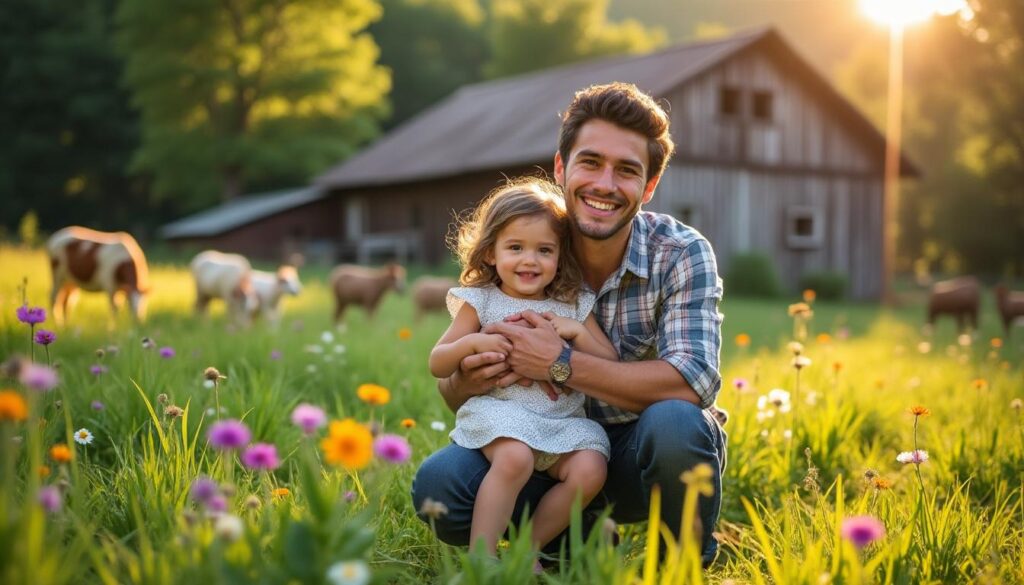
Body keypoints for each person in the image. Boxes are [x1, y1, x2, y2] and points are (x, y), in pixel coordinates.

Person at [412, 82, 727, 567]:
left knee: (675, 421)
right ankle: (564, 543)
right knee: (441, 489)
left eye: (626, 170)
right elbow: (451, 386)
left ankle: (680, 567)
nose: (604, 183)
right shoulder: (526, 248)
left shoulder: (681, 253)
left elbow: (694, 381)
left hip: (631, 454)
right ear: (562, 168)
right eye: (590, 162)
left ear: (648, 187)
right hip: (528, 438)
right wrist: (472, 376)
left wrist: (559, 362)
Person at [428, 178, 618, 563]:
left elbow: (610, 365)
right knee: (515, 458)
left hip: (561, 421)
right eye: (515, 248)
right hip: (500, 414)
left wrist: (578, 333)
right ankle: (482, 556)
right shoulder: (479, 302)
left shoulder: (572, 304)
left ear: (560, 257)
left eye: (544, 250)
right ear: (491, 253)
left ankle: (525, 549)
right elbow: (438, 361)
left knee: (591, 467)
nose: (530, 260)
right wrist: (473, 343)